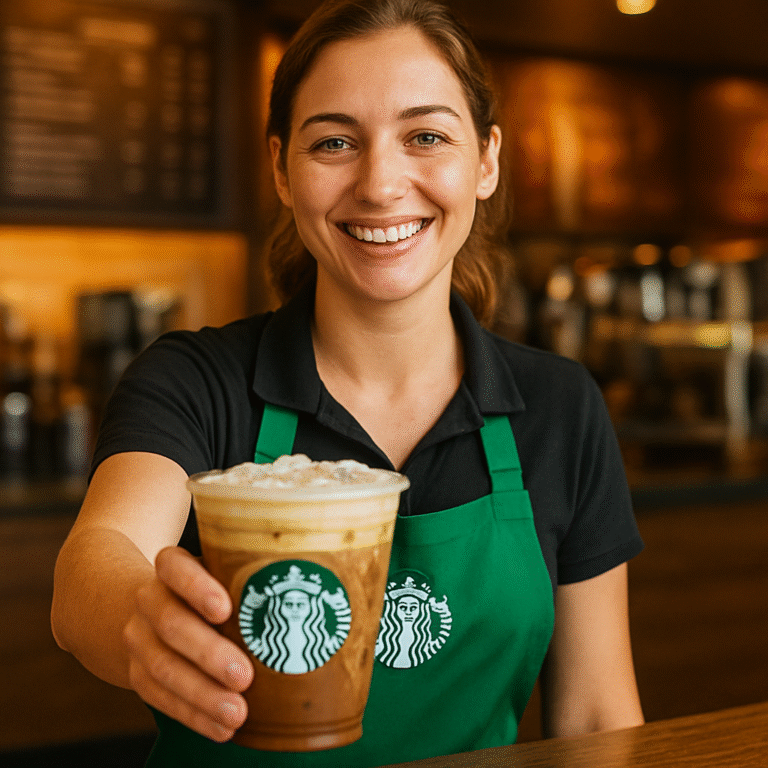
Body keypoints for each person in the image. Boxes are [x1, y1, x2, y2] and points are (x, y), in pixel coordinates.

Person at [51, 0, 645, 765]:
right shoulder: (198, 381)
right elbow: (95, 563)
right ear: (281, 170)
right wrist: (142, 619)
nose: (380, 183)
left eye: (426, 136)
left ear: (487, 161)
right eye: (334, 142)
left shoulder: (561, 407)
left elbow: (597, 715)